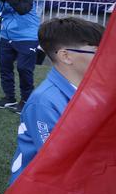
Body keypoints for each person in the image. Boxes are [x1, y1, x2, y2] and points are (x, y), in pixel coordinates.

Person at [9, 17, 104, 184]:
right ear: (66, 56)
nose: (107, 57)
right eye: (98, 51)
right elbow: (58, 160)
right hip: (38, 189)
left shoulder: (92, 87)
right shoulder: (44, 102)